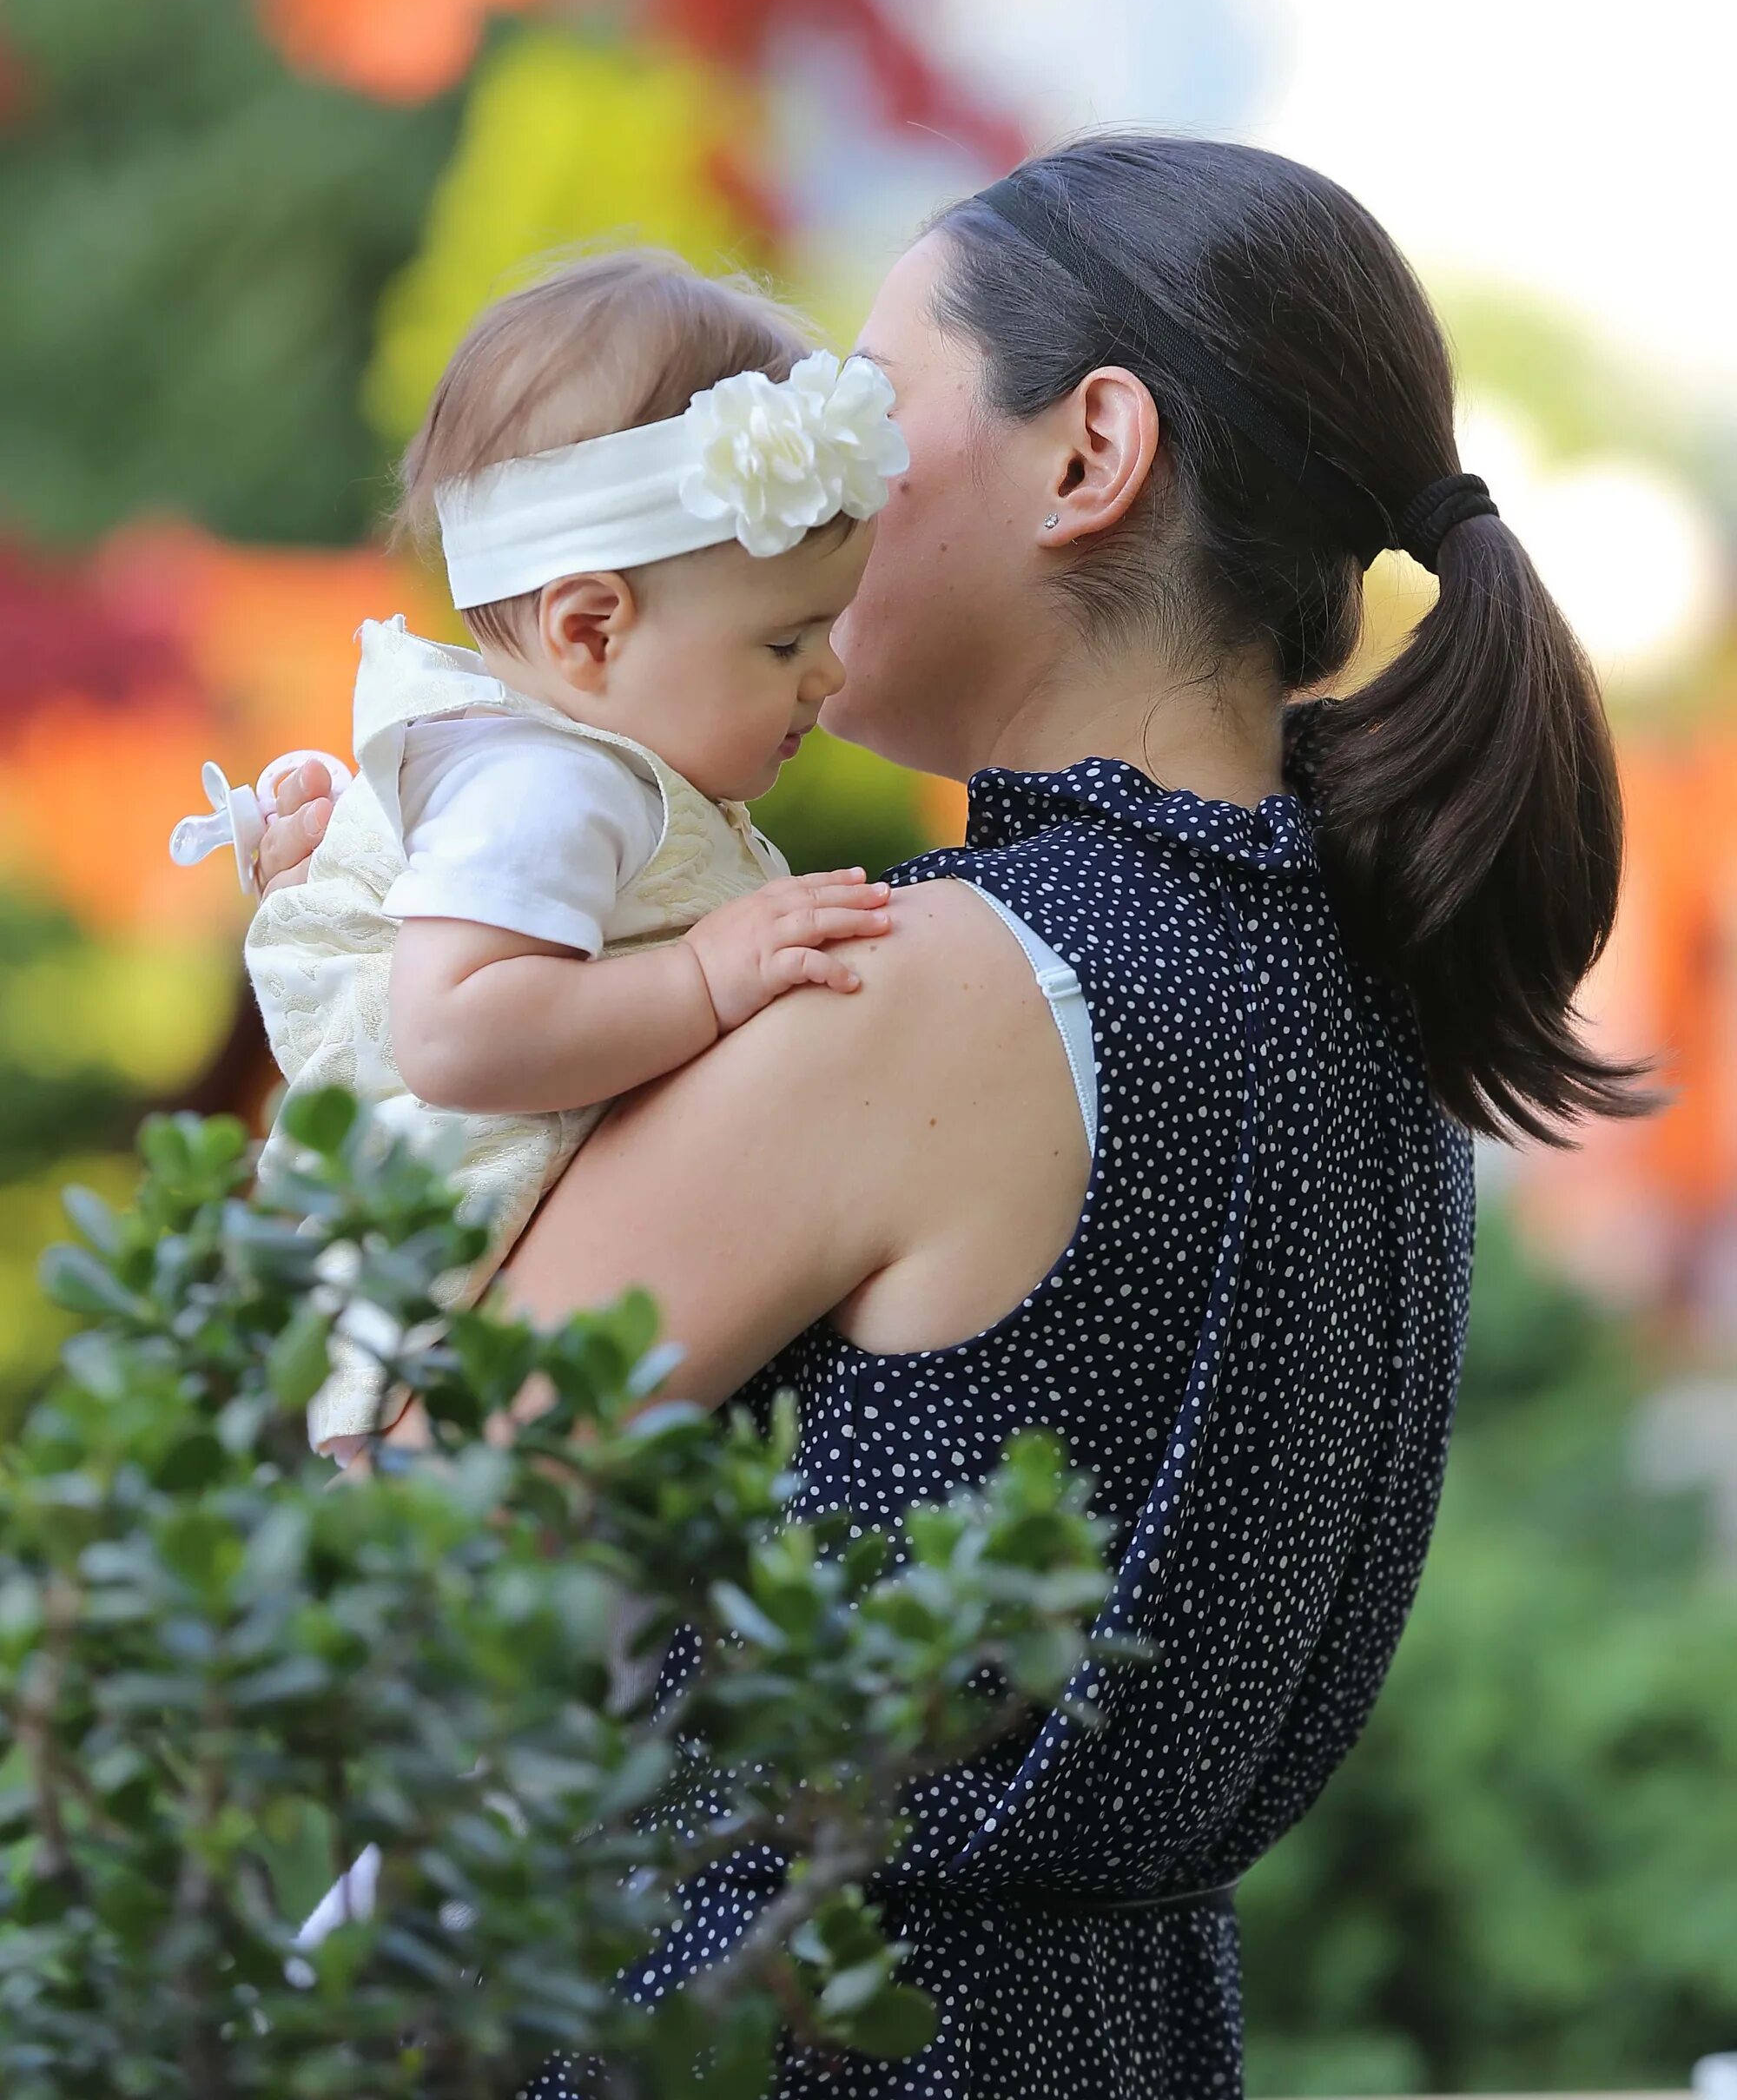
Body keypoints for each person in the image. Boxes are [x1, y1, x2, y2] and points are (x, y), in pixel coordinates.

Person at [258, 136, 1646, 2100]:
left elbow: (417, 1504)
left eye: (863, 414)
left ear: (1091, 455)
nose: (811, 491)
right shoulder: (1376, 991)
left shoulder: (924, 989)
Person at [184, 251, 906, 1449]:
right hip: (448, 1338)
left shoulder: (583, 770)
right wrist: (704, 979)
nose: (827, 674)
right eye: (787, 642)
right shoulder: (552, 786)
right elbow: (457, 1028)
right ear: (589, 632)